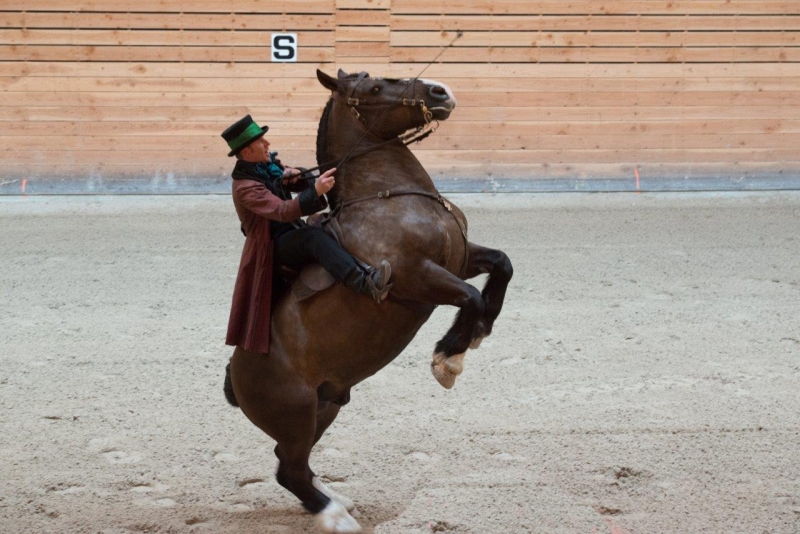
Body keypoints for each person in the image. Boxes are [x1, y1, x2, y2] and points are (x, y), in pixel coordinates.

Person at [222, 115, 391, 354]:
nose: (267, 144)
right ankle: (364, 282)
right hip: (271, 246)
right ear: (248, 151)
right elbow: (282, 210)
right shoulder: (246, 188)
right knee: (313, 237)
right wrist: (316, 190)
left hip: (290, 231)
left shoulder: (266, 167)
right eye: (262, 141)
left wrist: (298, 174)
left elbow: (296, 184)